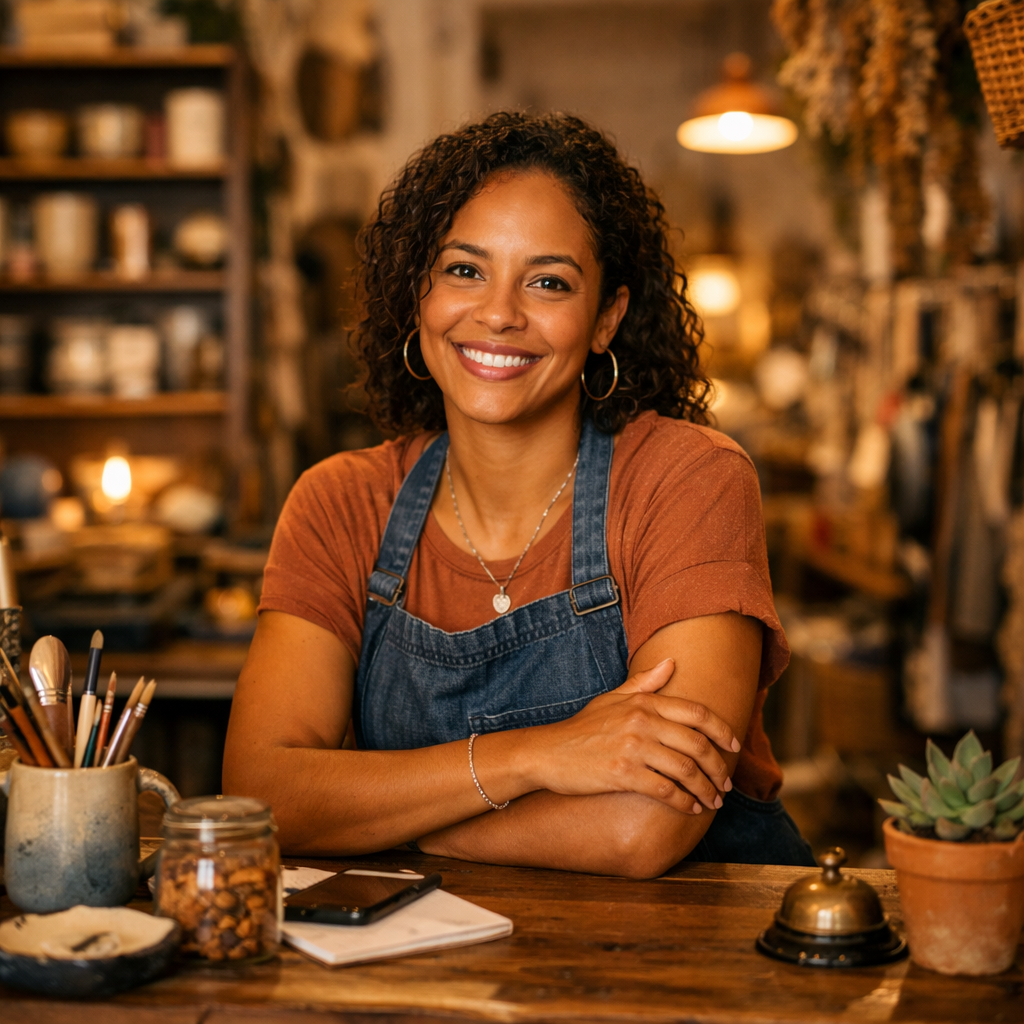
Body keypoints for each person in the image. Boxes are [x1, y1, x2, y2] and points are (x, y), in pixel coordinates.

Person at [223, 111, 814, 876]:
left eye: (548, 282)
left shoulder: (688, 480)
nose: (499, 313)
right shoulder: (339, 503)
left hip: (678, 970)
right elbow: (264, 795)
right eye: (464, 270)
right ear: (418, 296)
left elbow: (641, 828)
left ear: (607, 318)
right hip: (420, 976)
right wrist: (541, 755)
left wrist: (379, 818)